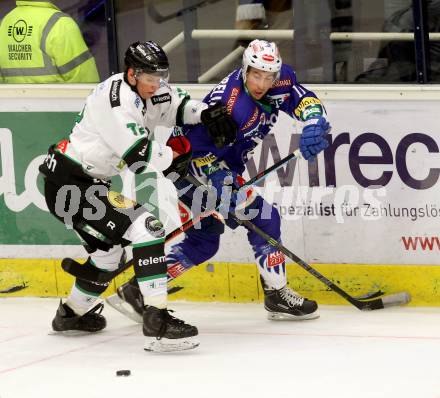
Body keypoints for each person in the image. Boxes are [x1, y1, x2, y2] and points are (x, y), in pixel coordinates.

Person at [108, 39, 331, 323]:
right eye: (256, 75)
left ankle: (137, 290)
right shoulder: (231, 105)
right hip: (188, 170)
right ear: (245, 69)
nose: (262, 83)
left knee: (205, 240)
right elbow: (193, 147)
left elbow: (300, 97)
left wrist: (313, 122)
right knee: (265, 217)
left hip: (221, 167)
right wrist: (219, 178)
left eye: (268, 76)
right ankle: (277, 294)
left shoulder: (280, 78)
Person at [38, 40, 234, 352]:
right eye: (149, 79)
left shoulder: (150, 86)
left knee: (106, 258)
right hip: (70, 185)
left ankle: (70, 314)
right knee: (148, 227)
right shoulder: (114, 101)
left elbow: (178, 106)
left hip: (88, 183)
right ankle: (156, 317)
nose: (155, 85)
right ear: (132, 74)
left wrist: (206, 113)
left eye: (159, 77)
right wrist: (177, 154)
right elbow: (139, 155)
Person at [0, 0, 99, 83]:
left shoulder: (5, 22)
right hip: (59, 104)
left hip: (13, 104)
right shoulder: (60, 24)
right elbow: (86, 80)